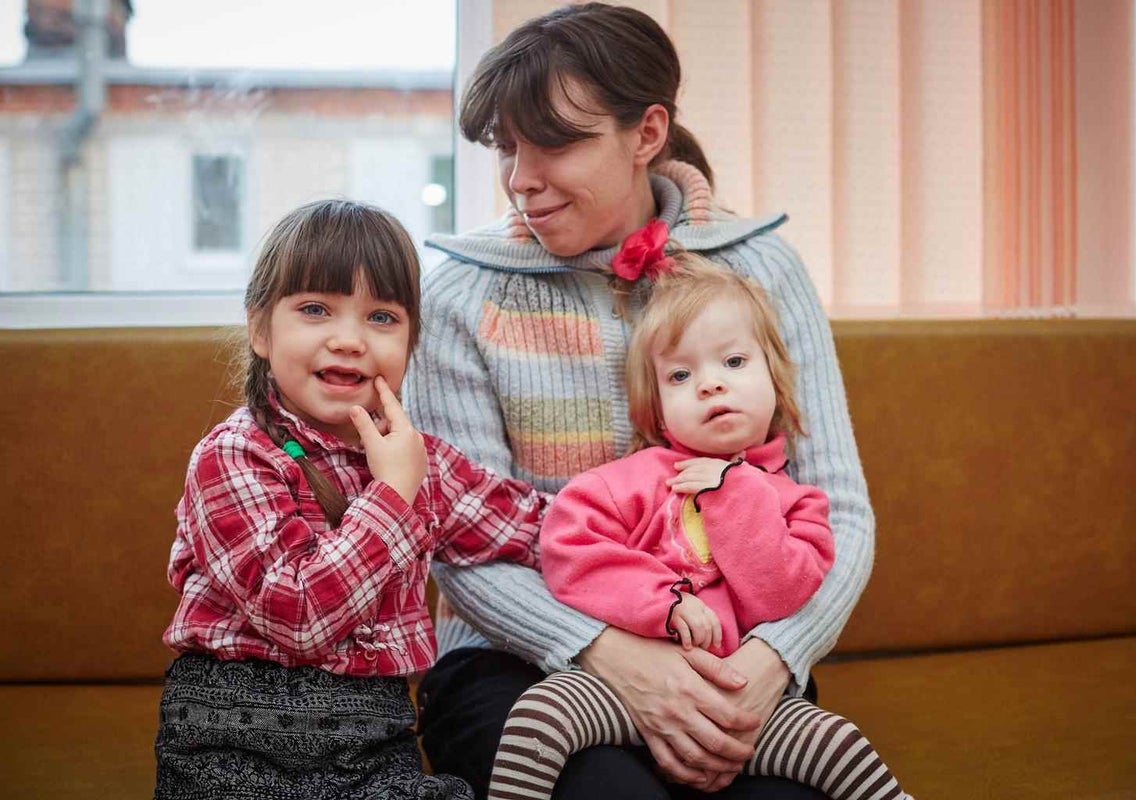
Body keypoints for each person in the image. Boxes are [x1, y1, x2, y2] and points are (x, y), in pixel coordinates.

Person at [408, 4, 875, 798]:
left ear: (647, 133)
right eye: (505, 147)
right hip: (512, 662)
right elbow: (460, 547)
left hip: (732, 655)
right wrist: (615, 657)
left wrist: (774, 660)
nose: (521, 177)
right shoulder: (460, 296)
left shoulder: (761, 272)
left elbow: (840, 511)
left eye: (554, 141)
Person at [154, 199, 547, 800]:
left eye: (382, 317)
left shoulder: (422, 462)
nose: (349, 339)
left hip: (372, 748)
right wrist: (391, 496)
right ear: (261, 329)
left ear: (412, 343)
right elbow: (300, 617)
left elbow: (536, 526)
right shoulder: (233, 456)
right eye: (315, 309)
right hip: (230, 745)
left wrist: (669, 524)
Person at [489, 253, 909, 800]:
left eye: (733, 363)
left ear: (777, 383)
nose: (710, 385)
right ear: (658, 411)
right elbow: (569, 550)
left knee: (839, 744)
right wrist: (664, 601)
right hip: (620, 691)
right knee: (540, 715)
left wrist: (734, 493)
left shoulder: (796, 503)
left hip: (741, 707)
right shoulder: (629, 481)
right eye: (681, 375)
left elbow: (781, 596)